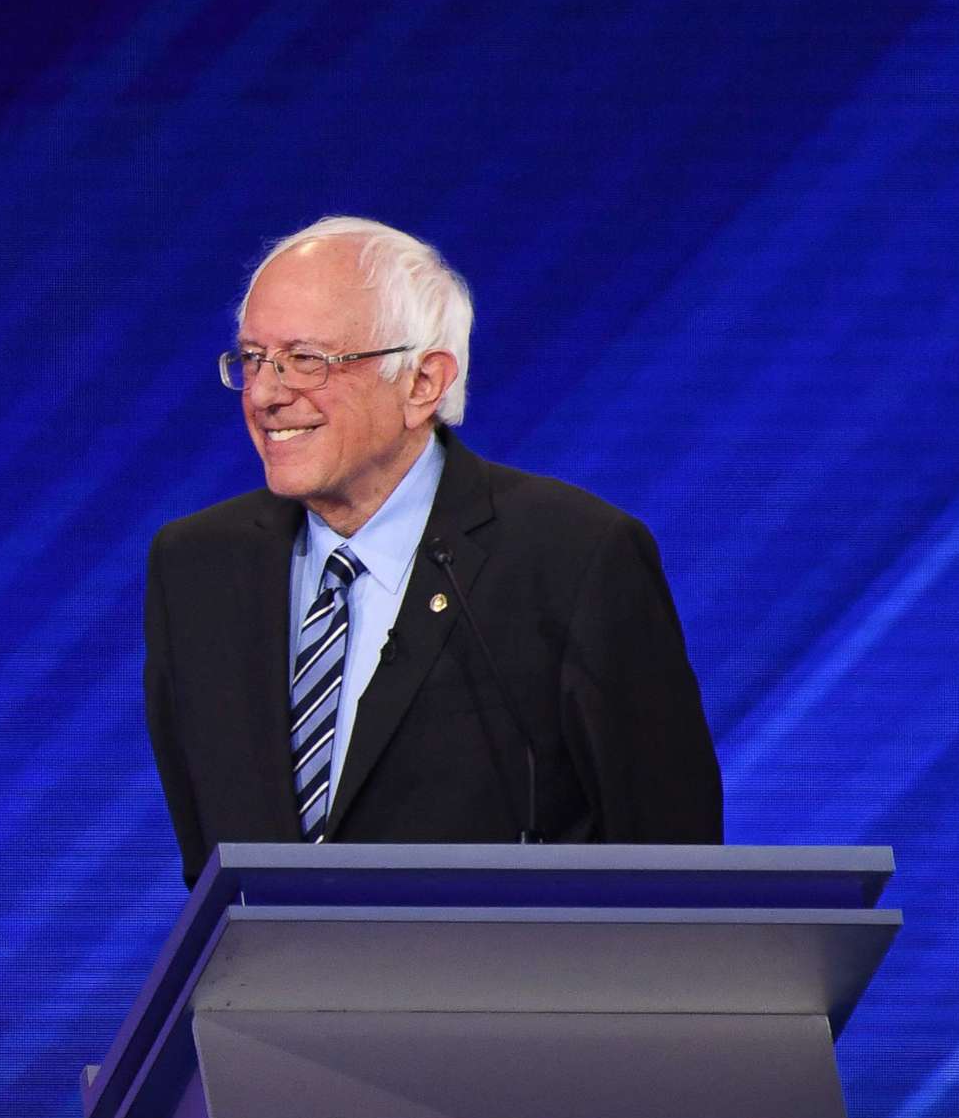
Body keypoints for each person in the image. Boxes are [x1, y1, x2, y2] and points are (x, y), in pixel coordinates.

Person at [144, 216, 721, 878]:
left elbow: (675, 869)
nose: (269, 394)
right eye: (252, 359)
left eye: (306, 360)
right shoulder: (196, 568)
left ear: (423, 383)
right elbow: (209, 866)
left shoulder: (575, 558)